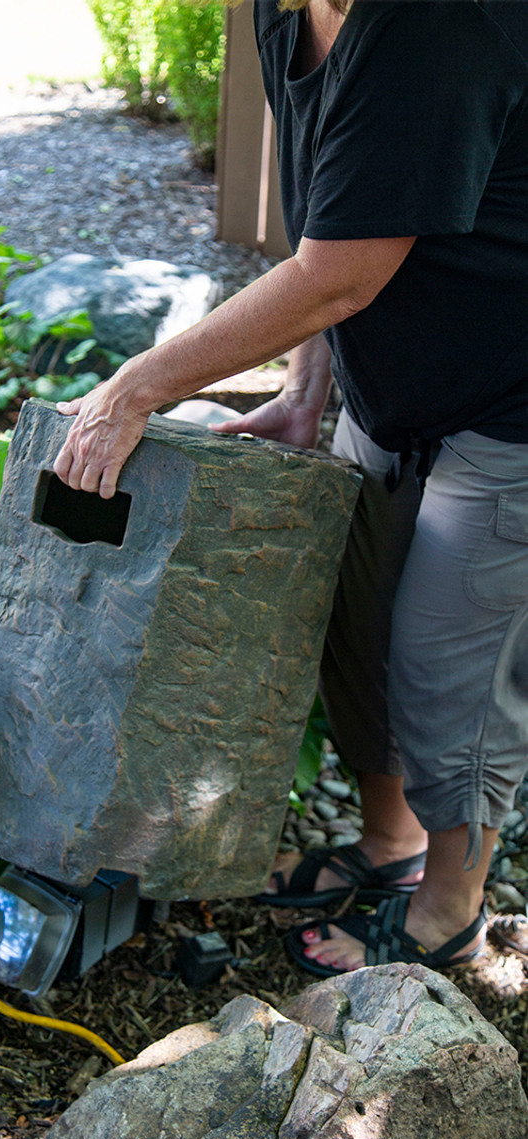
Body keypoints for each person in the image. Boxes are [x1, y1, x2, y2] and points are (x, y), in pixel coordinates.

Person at [52, 0, 528, 975]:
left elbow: (338, 273)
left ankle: (449, 909)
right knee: (356, 624)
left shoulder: (441, 24)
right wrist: (306, 386)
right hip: (396, 379)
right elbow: (328, 212)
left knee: (452, 669)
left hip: (509, 396)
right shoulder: (284, 11)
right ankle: (389, 847)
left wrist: (134, 386)